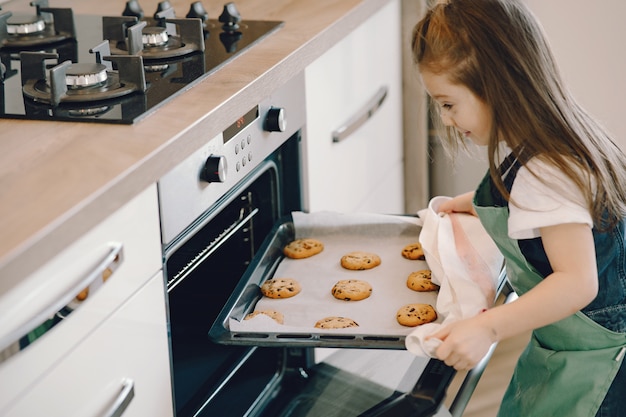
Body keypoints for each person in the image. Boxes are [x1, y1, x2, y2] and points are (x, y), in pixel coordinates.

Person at [411, 0, 626, 415]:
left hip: (597, 363)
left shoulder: (547, 175)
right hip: (568, 347)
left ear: (495, 86)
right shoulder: (557, 139)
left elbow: (578, 283)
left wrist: (486, 327)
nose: (448, 119)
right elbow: (555, 217)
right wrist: (473, 206)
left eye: (448, 103)